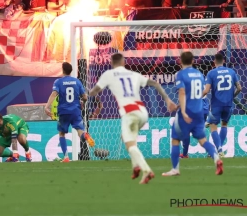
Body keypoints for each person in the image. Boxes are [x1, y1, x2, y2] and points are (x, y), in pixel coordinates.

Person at [88, 53, 177, 184]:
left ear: (112, 63)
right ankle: (135, 167)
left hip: (129, 114)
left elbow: (94, 92)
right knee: (128, 139)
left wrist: (87, 93)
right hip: (142, 112)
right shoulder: (133, 74)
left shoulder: (108, 74)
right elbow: (155, 83)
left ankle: (146, 171)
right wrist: (168, 100)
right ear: (123, 62)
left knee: (130, 146)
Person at [162, 52, 223, 177]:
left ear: (180, 61)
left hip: (187, 112)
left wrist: (182, 111)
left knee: (175, 139)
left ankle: (175, 169)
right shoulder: (199, 74)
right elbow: (197, 94)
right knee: (203, 140)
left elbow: (183, 92)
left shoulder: (181, 74)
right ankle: (217, 159)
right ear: (193, 61)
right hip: (199, 112)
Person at [44, 62, 95, 163]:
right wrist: (83, 103)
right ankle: (86, 136)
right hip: (76, 111)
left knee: (62, 133)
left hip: (63, 111)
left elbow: (54, 94)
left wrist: (46, 107)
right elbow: (85, 97)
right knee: (80, 131)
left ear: (62, 69)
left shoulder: (58, 82)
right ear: (71, 71)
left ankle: (66, 157)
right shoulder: (77, 82)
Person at [202, 53, 242, 157]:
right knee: (224, 124)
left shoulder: (211, 73)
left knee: (213, 126)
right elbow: (239, 88)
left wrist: (196, 98)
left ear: (214, 62)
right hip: (228, 104)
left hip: (217, 104)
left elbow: (206, 91)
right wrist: (232, 96)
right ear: (223, 61)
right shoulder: (232, 72)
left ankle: (219, 151)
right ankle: (218, 150)